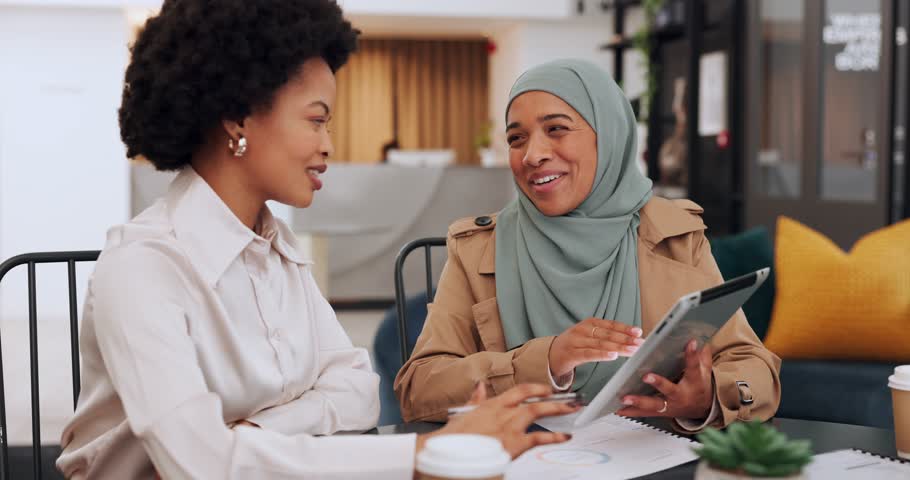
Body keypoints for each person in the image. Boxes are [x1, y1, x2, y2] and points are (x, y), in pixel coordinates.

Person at [56, 2, 573, 478]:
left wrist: (256, 434)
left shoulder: (274, 249)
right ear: (238, 118)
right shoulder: (143, 267)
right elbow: (205, 465)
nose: (327, 145)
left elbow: (358, 391)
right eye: (316, 120)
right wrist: (424, 455)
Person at [395, 59, 782, 431]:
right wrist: (546, 361)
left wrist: (711, 396)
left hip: (649, 457)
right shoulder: (477, 249)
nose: (533, 154)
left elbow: (754, 367)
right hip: (526, 456)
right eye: (517, 138)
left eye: (557, 129)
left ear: (609, 135)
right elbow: (421, 388)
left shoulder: (676, 237)